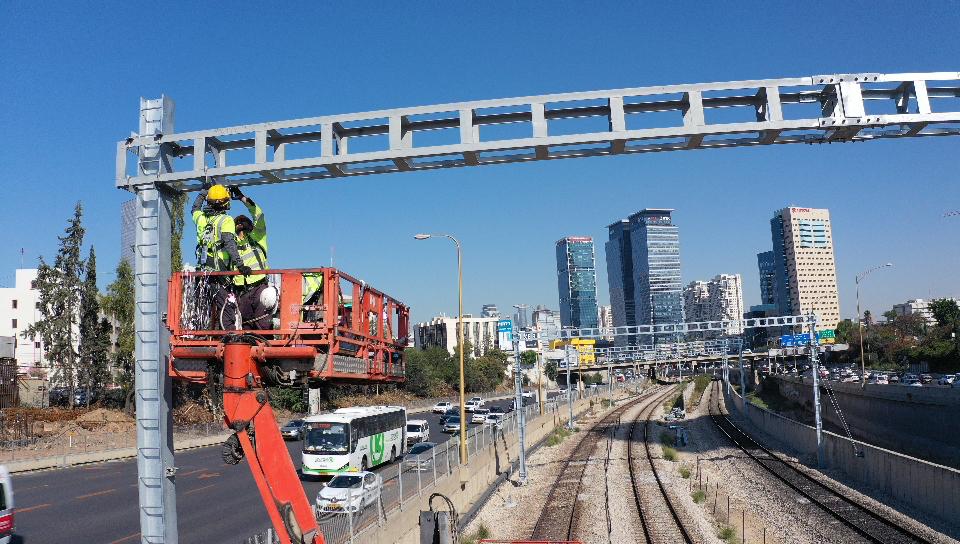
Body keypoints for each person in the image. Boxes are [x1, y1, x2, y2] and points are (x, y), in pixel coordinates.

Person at [191, 182, 249, 329]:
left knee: (202, 312)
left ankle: (200, 341)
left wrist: (204, 192)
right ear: (225, 203)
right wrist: (240, 265)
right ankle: (229, 339)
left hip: (202, 274)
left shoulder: (202, 219)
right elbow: (229, 243)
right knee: (227, 311)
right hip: (219, 274)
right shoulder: (226, 220)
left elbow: (195, 208)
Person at [229, 187, 275, 330]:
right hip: (241, 292)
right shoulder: (231, 244)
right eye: (239, 222)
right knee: (246, 330)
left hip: (259, 288)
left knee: (263, 326)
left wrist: (243, 199)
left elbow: (259, 215)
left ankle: (267, 349)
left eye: (243, 222)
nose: (241, 224)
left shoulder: (258, 237)